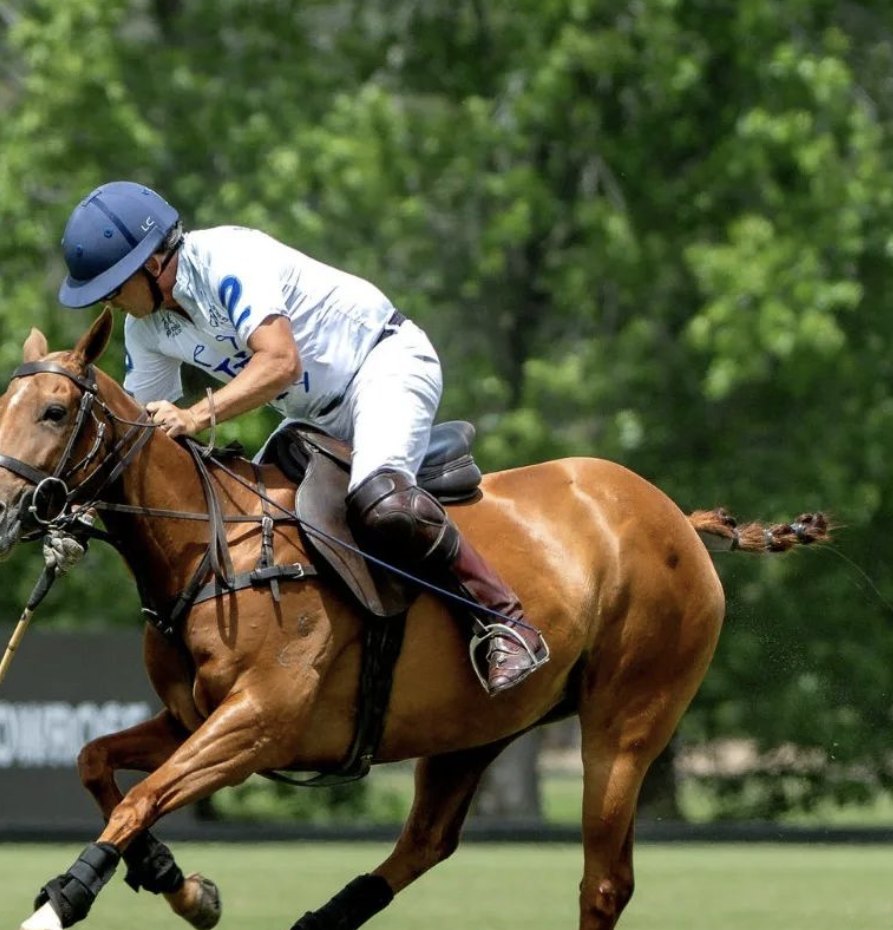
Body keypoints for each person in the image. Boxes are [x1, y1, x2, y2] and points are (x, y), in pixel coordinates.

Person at [53, 180, 548, 695]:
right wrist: (82, 511)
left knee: (381, 500)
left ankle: (506, 620)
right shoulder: (146, 328)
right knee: (252, 521)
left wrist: (196, 415)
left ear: (154, 264)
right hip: (311, 417)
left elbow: (281, 362)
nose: (110, 300)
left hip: (383, 365)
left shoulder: (226, 259)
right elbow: (138, 438)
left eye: (113, 285)